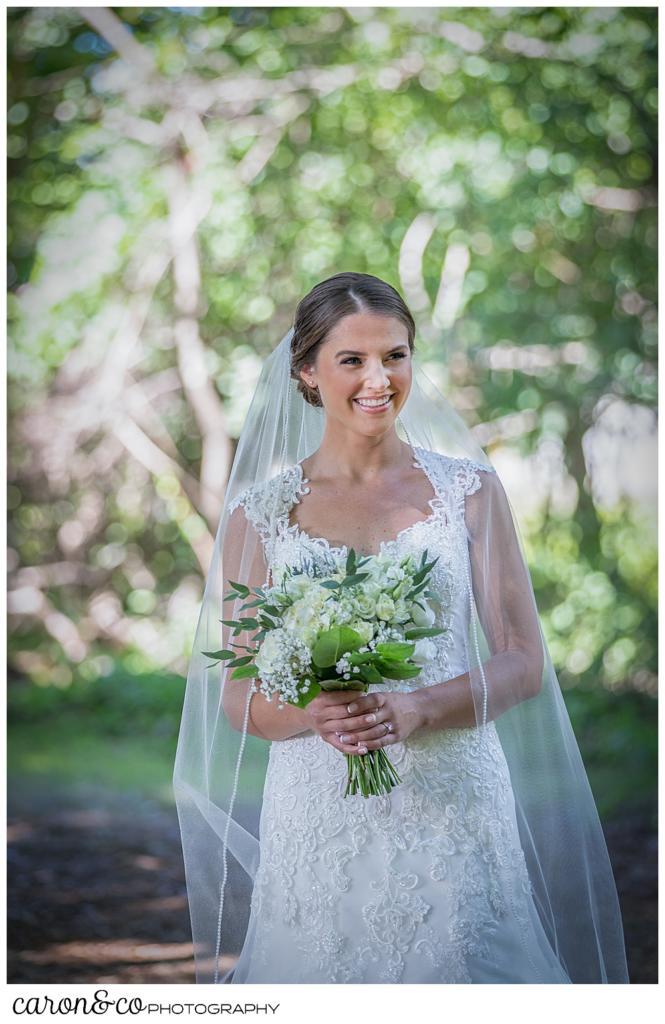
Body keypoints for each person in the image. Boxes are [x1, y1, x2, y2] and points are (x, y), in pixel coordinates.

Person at [173, 272, 629, 984]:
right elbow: (237, 696)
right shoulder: (257, 518)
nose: (378, 379)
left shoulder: (469, 494)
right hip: (316, 816)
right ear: (306, 371)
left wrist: (418, 706)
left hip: (455, 807)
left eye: (395, 355)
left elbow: (520, 661)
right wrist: (306, 710)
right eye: (351, 360)